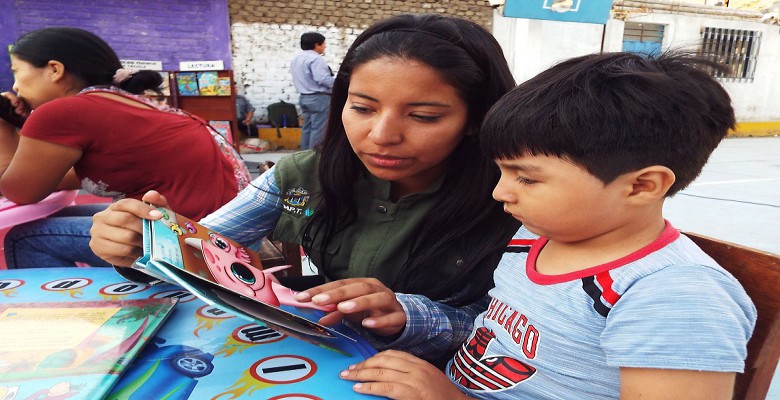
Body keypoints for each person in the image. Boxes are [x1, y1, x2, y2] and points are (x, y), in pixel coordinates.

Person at [89, 13, 521, 362]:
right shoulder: (302, 178)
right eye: (363, 107)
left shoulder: (516, 198)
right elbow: (205, 251)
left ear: (476, 119)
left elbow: (526, 333)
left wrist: (410, 316)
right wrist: (141, 246)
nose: (381, 135)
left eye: (424, 116)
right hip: (314, 360)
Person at [334, 51, 757, 399]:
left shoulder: (673, 297)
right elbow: (501, 336)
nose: (500, 192)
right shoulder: (534, 237)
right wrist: (408, 315)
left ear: (642, 186)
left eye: (527, 178)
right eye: (501, 172)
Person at [0, 27, 250, 269]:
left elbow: (19, 192)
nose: (15, 87)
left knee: (25, 238)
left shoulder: (63, 112)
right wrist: (20, 125)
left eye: (17, 72)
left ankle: (59, 310)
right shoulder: (125, 103)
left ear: (54, 70)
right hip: (227, 232)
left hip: (195, 248)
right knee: (56, 217)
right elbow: (51, 178)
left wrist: (3, 123)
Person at [290, 31, 334, 149]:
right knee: (319, 129)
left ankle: (304, 155)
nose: (324, 47)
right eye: (323, 44)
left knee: (307, 128)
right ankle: (314, 157)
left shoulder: (297, 59)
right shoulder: (316, 59)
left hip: (304, 97)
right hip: (319, 97)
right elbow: (322, 79)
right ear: (316, 45)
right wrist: (338, 84)